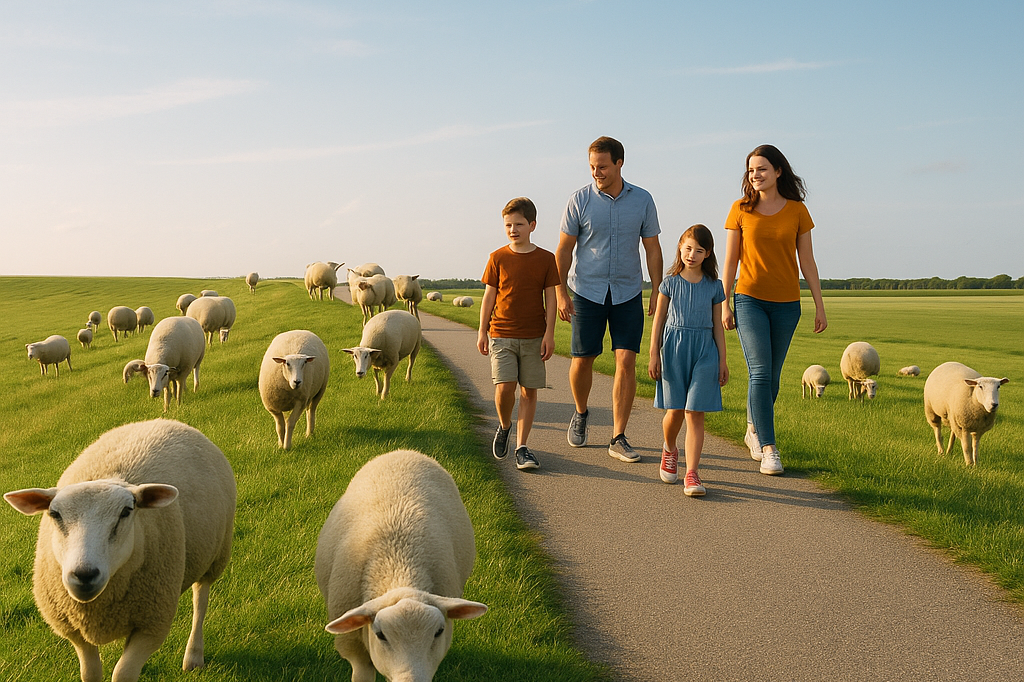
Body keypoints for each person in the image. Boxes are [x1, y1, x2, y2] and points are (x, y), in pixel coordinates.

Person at [721, 144, 827, 476]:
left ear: (778, 171)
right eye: (751, 170)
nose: (756, 175)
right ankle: (769, 448)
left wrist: (819, 305)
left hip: (787, 304)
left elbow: (807, 261)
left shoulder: (797, 211)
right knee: (761, 372)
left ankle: (753, 426)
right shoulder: (739, 209)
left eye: (762, 169)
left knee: (774, 378)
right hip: (749, 298)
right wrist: (724, 303)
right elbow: (730, 262)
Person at [556, 136, 663, 462]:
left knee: (626, 361)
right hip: (586, 292)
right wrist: (561, 292)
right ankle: (581, 412)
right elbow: (563, 250)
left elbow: (653, 249)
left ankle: (618, 436)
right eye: (591, 167)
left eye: (602, 166)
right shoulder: (579, 200)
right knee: (582, 360)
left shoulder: (642, 200)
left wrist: (657, 289)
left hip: (628, 292)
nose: (596, 172)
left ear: (619, 163)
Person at [478, 197, 560, 470]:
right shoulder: (497, 258)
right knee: (504, 388)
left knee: (529, 392)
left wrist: (549, 334)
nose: (513, 229)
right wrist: (482, 331)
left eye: (519, 224)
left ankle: (522, 447)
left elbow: (552, 300)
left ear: (532, 225)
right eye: (508, 225)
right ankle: (504, 425)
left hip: (535, 337)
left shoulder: (546, 259)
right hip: (501, 334)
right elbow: (489, 298)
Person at [649, 225, 728, 496]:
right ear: (680, 249)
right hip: (673, 348)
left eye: (699, 250)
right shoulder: (669, 283)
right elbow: (658, 320)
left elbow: (718, 325)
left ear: (707, 254)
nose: (692, 254)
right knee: (674, 412)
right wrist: (653, 355)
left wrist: (722, 361)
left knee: (695, 413)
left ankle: (692, 473)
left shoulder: (715, 287)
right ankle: (670, 448)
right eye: (688, 248)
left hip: (706, 350)